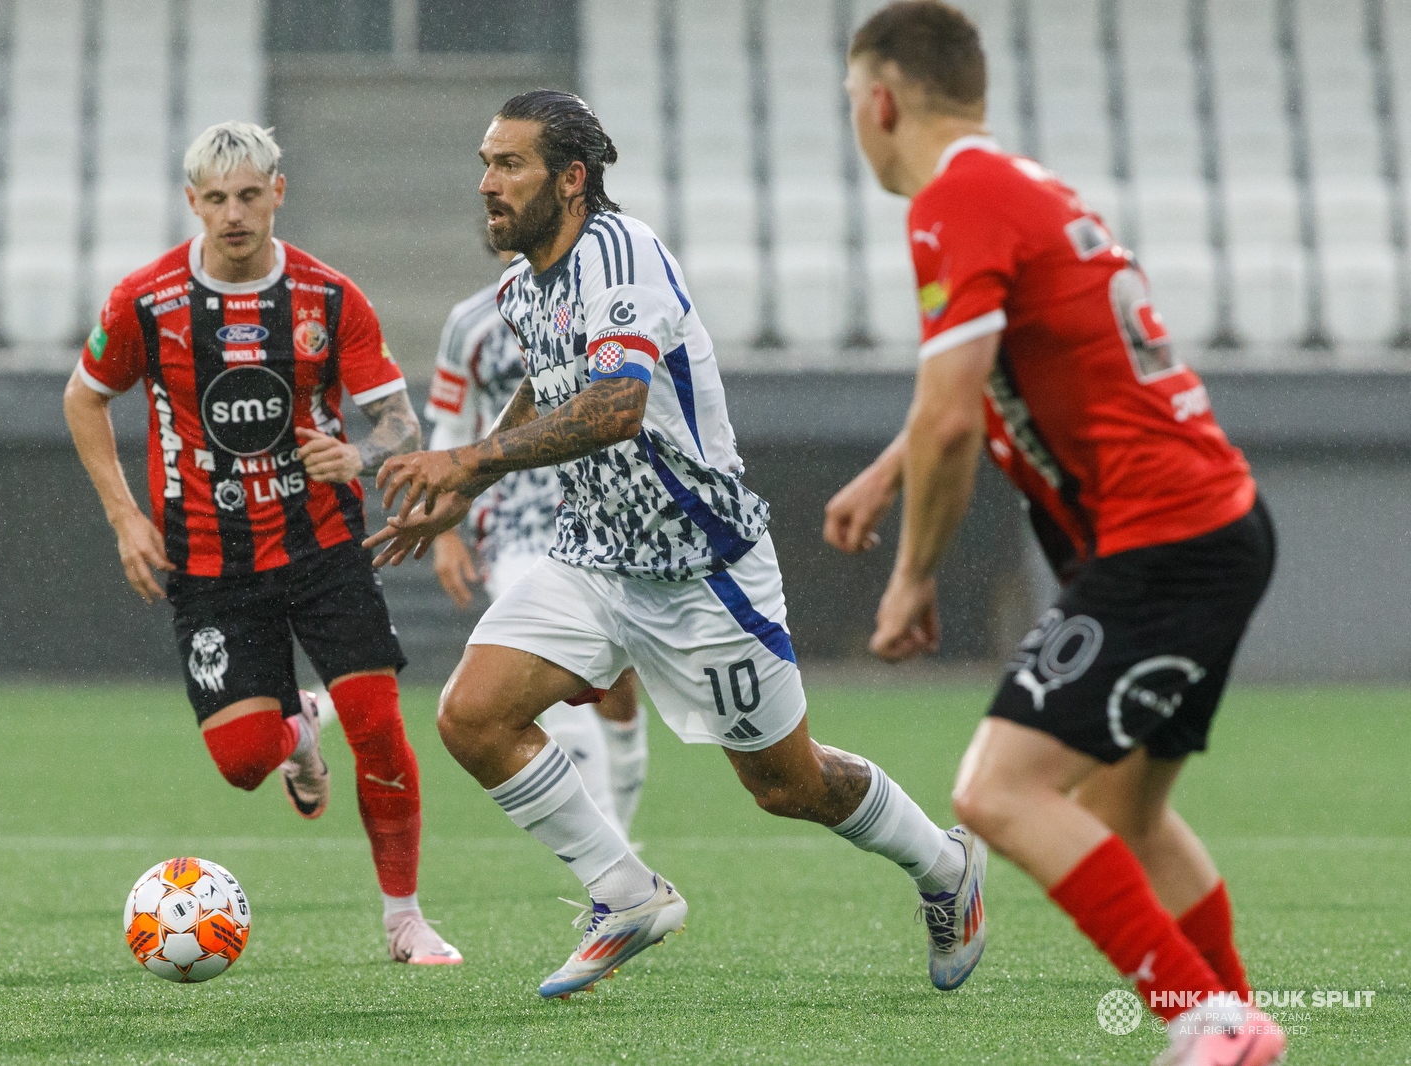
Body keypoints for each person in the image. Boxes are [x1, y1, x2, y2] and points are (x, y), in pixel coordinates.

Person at [365, 90, 987, 1000]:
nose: (488, 186)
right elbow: (548, 385)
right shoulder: (520, 285)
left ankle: (943, 867)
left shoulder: (625, 254)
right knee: (471, 716)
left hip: (704, 569)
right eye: (485, 167)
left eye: (509, 166)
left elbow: (615, 406)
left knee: (786, 784)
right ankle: (623, 893)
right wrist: (472, 482)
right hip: (594, 559)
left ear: (571, 181)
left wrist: (465, 455)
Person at [825, 5, 1283, 1063]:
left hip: (1161, 543)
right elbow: (1004, 378)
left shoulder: (954, 202)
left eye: (855, 103)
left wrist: (910, 578)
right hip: (1216, 524)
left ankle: (1207, 1020)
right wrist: (892, 470)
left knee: (996, 790)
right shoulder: (1028, 187)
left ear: (882, 101)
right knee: (1127, 809)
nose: (858, 122)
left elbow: (951, 415)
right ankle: (1236, 1027)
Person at [63, 121, 460, 966]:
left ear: (279, 191)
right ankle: (297, 726)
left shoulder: (328, 296)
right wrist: (125, 518)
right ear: (192, 203)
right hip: (208, 563)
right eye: (217, 199)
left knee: (380, 729)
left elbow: (398, 420)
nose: (234, 214)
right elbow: (83, 398)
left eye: (250, 195)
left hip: (321, 545)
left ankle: (404, 921)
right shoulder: (147, 299)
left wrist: (361, 453)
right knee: (244, 760)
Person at [425, 247, 649, 840]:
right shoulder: (469, 325)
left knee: (617, 696)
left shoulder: (595, 304)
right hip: (515, 525)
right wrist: (447, 531)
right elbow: (451, 427)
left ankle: (618, 830)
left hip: (599, 512)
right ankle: (617, 857)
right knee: (550, 688)